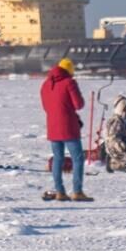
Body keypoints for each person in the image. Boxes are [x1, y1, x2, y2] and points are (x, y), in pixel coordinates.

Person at [40, 58, 90, 201]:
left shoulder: (45, 84)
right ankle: (77, 192)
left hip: (52, 126)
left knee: (57, 159)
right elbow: (78, 104)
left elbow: (46, 107)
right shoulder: (69, 82)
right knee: (78, 158)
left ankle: (60, 192)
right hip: (68, 126)